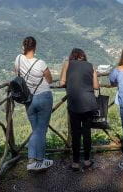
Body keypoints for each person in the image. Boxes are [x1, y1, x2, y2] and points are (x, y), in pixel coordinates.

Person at [15, 36, 54, 171]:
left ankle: (35, 159)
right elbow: (49, 80)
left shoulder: (18, 59)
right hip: (44, 97)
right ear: (35, 47)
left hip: (28, 99)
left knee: (36, 130)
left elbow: (17, 75)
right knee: (41, 130)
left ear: (23, 47)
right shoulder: (41, 63)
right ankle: (37, 161)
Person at [59, 48, 99, 171]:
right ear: (83, 56)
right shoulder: (90, 66)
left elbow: (61, 83)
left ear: (72, 56)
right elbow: (96, 86)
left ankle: (75, 163)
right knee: (87, 133)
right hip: (89, 104)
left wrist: (71, 83)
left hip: (74, 103)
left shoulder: (67, 64)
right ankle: (87, 161)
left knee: (75, 133)